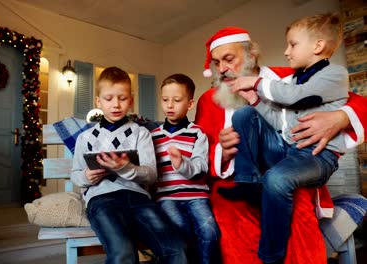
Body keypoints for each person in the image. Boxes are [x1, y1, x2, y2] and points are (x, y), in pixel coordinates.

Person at [195, 26, 367, 264]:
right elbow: (198, 149)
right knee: (232, 217)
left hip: (287, 168)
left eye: (229, 59)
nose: (222, 68)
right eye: (216, 63)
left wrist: (341, 117)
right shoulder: (207, 100)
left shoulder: (290, 77)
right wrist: (220, 153)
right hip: (233, 182)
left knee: (296, 210)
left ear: (251, 55)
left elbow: (359, 102)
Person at [222, 13, 347, 263]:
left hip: (317, 156)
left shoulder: (335, 75)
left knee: (277, 178)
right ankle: (247, 182)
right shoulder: (292, 80)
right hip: (287, 146)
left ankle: (271, 255)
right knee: (245, 114)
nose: (287, 52)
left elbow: (295, 97)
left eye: (293, 44)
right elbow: (280, 122)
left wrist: (256, 83)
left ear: (318, 46)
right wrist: (254, 100)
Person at [70, 66, 187, 264]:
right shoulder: (85, 137)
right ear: (98, 101)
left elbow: (151, 175)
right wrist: (86, 176)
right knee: (123, 252)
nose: (116, 104)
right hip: (102, 199)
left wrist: (125, 168)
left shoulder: (140, 133)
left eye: (122, 98)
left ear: (131, 101)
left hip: (138, 198)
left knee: (176, 248)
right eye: (108, 99)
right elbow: (75, 173)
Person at [151, 73, 219, 264]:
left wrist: (182, 165)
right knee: (180, 227)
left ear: (189, 104)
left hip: (196, 195)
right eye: (165, 100)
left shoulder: (197, 133)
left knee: (209, 230)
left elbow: (201, 167)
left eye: (177, 100)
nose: (169, 105)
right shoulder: (153, 135)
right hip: (167, 197)